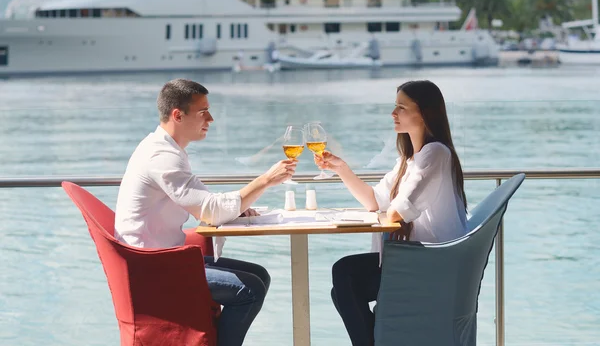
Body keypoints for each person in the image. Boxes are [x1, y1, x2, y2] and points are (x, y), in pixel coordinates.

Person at [115, 78, 297, 346]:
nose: (210, 119)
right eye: (203, 112)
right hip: (153, 269)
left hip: (163, 260)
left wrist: (241, 209)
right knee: (251, 289)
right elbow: (210, 211)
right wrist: (265, 180)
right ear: (178, 115)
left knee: (260, 275)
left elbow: (207, 202)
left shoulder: (166, 149)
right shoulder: (161, 156)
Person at [314, 80, 468, 346]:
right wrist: (341, 168)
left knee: (344, 274)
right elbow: (375, 201)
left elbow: (397, 213)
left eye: (401, 107)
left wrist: (388, 211)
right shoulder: (409, 160)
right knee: (342, 287)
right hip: (413, 259)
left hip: (430, 263)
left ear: (423, 112)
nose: (393, 114)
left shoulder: (435, 154)